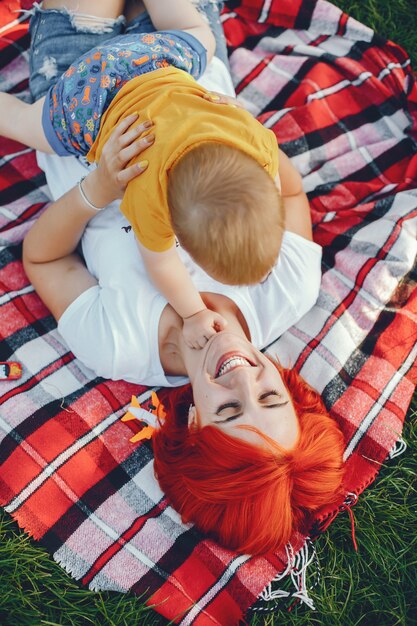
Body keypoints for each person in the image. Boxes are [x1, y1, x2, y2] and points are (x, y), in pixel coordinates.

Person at [22, 111, 345, 555]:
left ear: (194, 424)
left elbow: (44, 261)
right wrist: (234, 124)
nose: (242, 378)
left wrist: (96, 191)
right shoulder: (288, 290)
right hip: (187, 73)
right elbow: (287, 190)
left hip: (77, 113)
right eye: (270, 397)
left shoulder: (117, 344)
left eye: (230, 410)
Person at [0, 0, 289, 351]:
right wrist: (194, 313)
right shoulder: (150, 189)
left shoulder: (251, 138)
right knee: (27, 123)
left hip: (154, 58)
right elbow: (162, 263)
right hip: (88, 98)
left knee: (200, 37)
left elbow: (272, 176)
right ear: (178, 230)